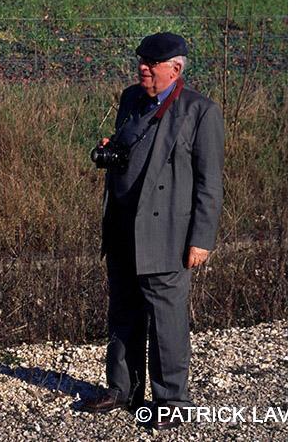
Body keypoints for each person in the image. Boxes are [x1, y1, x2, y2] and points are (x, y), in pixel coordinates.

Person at [79, 32, 225, 431]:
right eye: (140, 60)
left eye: (151, 63)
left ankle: (172, 401)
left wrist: (202, 239)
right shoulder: (131, 99)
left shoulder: (200, 112)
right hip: (123, 225)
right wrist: (113, 146)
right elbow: (131, 146)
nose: (142, 68)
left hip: (169, 235)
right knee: (123, 311)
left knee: (166, 320)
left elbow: (210, 183)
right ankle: (123, 389)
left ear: (175, 69)